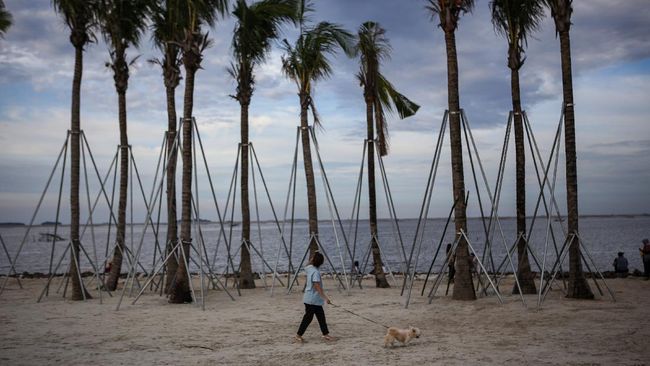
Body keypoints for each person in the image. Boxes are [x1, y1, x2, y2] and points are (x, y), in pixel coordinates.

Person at [295, 251, 334, 343]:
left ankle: (325, 334)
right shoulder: (315, 272)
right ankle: (298, 335)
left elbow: (306, 265)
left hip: (313, 299)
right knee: (308, 318)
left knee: (321, 317)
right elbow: (317, 286)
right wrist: (325, 298)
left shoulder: (309, 268)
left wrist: (312, 260)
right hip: (311, 299)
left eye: (312, 257)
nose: (310, 258)